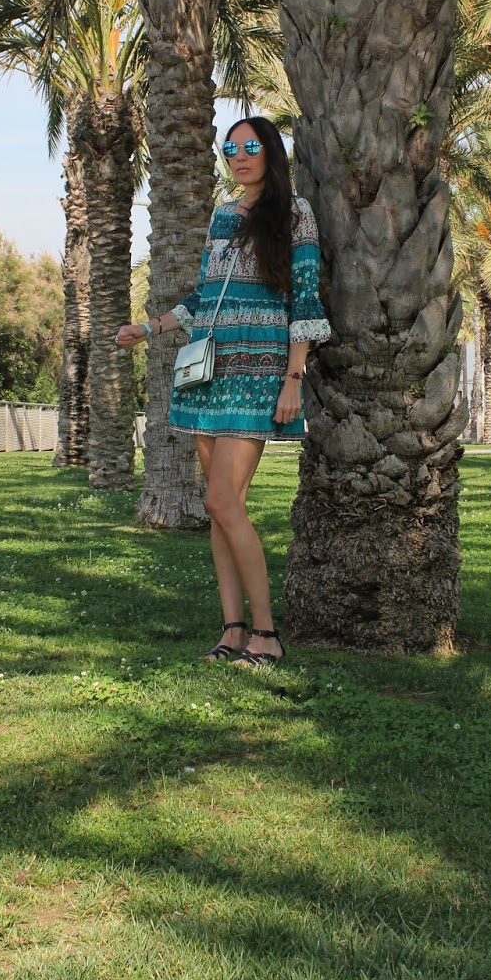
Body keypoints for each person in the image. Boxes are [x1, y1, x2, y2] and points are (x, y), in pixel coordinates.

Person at [116, 116, 330, 668]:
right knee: (221, 508)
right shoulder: (222, 217)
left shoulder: (295, 213)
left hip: (259, 372)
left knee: (220, 500)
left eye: (250, 146)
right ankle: (232, 629)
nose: (239, 156)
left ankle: (267, 634)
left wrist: (294, 379)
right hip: (210, 371)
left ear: (270, 151)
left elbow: (305, 299)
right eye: (230, 148)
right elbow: (204, 297)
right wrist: (150, 327)